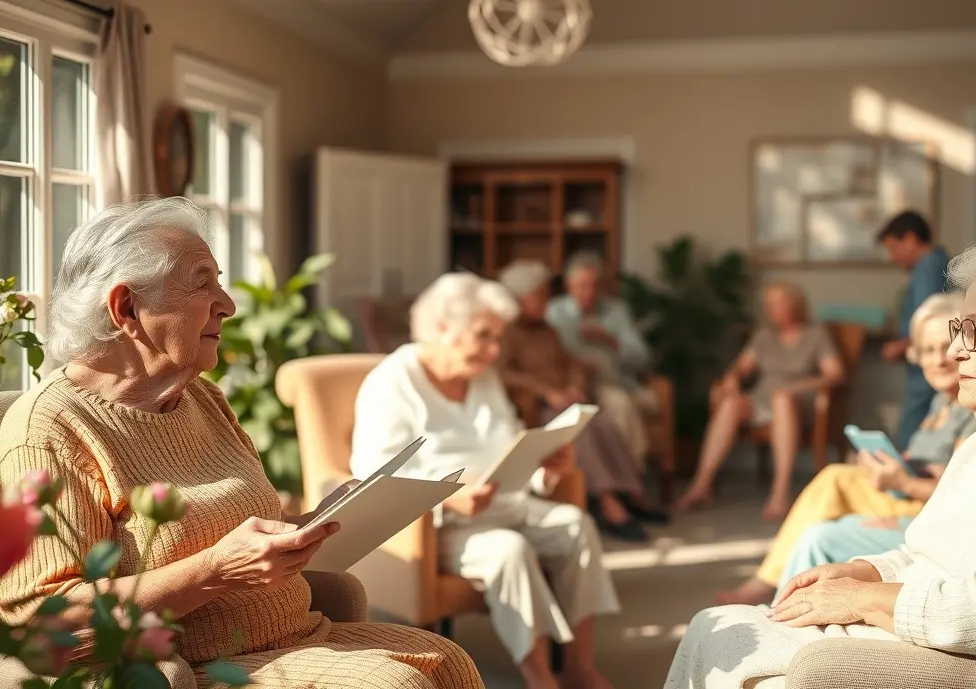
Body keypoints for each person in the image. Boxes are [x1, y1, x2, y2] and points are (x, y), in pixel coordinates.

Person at [0, 198, 482, 689]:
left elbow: (231, 530)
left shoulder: (202, 398)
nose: (228, 305)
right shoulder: (51, 429)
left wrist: (311, 524)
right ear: (127, 308)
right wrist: (215, 571)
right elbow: (40, 619)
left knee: (451, 661)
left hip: (298, 639)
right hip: (200, 668)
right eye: (201, 283)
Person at [664, 231, 976, 689]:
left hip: (967, 661)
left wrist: (861, 602)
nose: (956, 351)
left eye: (975, 331)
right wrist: (863, 573)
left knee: (725, 641)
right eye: (957, 328)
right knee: (717, 625)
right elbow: (925, 552)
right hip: (925, 631)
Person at [350, 272, 620, 689]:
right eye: (484, 337)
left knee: (576, 526)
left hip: (504, 503)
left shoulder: (483, 378)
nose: (494, 352)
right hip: (440, 526)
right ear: (442, 328)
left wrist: (544, 470)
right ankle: (542, 678)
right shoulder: (392, 382)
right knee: (506, 550)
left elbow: (506, 447)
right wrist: (447, 499)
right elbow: (373, 474)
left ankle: (579, 666)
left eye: (497, 338)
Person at [714, 292, 976, 606]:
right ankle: (778, 593)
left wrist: (902, 481)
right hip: (908, 494)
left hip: (921, 506)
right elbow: (930, 463)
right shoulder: (941, 402)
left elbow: (960, 494)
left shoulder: (973, 406)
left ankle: (770, 587)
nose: (938, 359)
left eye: (945, 347)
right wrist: (891, 462)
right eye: (928, 350)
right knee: (834, 486)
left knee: (833, 485)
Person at [497, 259, 668, 542]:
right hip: (538, 408)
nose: (545, 301)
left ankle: (632, 494)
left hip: (565, 400)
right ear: (518, 299)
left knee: (603, 423)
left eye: (545, 295)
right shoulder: (507, 333)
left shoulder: (547, 330)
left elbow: (570, 362)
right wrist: (547, 392)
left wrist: (576, 384)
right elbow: (504, 374)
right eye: (538, 296)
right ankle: (607, 502)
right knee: (581, 431)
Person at [673, 282, 844, 520]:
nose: (771, 309)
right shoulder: (764, 336)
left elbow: (835, 374)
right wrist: (732, 378)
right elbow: (742, 367)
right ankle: (701, 485)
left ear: (794, 304)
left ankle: (780, 492)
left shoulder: (815, 335)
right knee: (730, 404)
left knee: (782, 399)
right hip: (763, 398)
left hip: (798, 401)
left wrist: (793, 388)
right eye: (768, 305)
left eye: (777, 303)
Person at [545, 252, 654, 464]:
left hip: (613, 381)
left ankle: (629, 473)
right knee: (619, 405)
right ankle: (628, 475)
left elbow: (642, 358)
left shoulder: (616, 311)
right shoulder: (554, 313)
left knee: (622, 402)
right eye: (582, 285)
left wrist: (611, 341)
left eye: (594, 285)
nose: (589, 292)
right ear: (569, 285)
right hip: (573, 383)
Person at [877, 211, 949, 449]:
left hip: (925, 369)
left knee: (911, 432)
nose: (892, 257)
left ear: (910, 239)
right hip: (923, 367)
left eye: (893, 248)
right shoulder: (936, 263)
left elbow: (930, 319)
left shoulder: (927, 267)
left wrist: (901, 345)